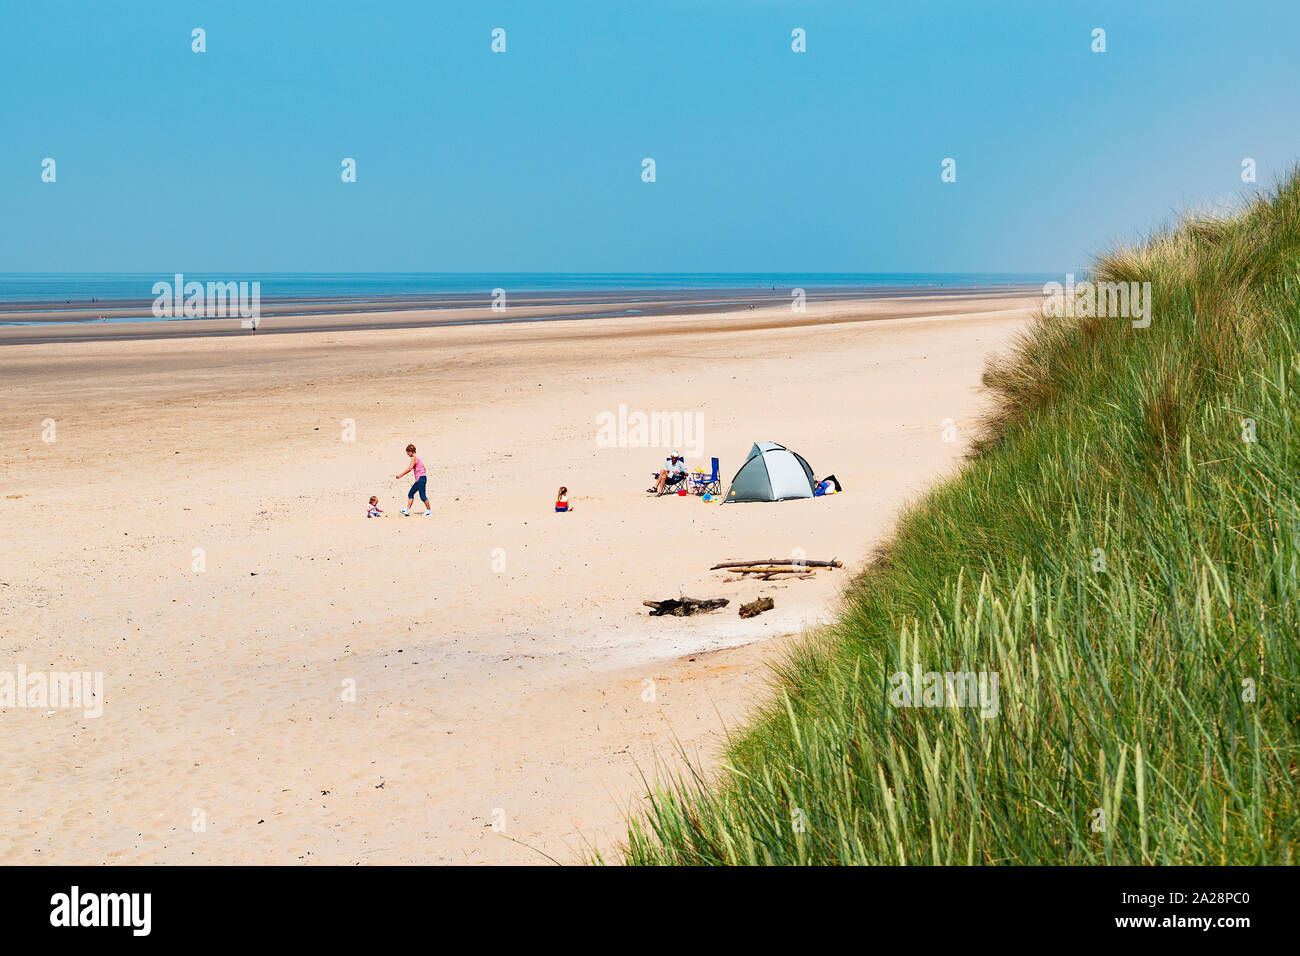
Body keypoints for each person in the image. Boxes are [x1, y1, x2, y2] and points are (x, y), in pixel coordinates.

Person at [395, 443, 432, 516]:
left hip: (420, 479)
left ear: (410, 451)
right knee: (411, 493)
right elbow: (424, 468)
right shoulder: (418, 457)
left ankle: (429, 511)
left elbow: (410, 468)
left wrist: (400, 475)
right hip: (421, 478)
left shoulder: (414, 458)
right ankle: (407, 510)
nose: (407, 454)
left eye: (408, 453)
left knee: (422, 496)